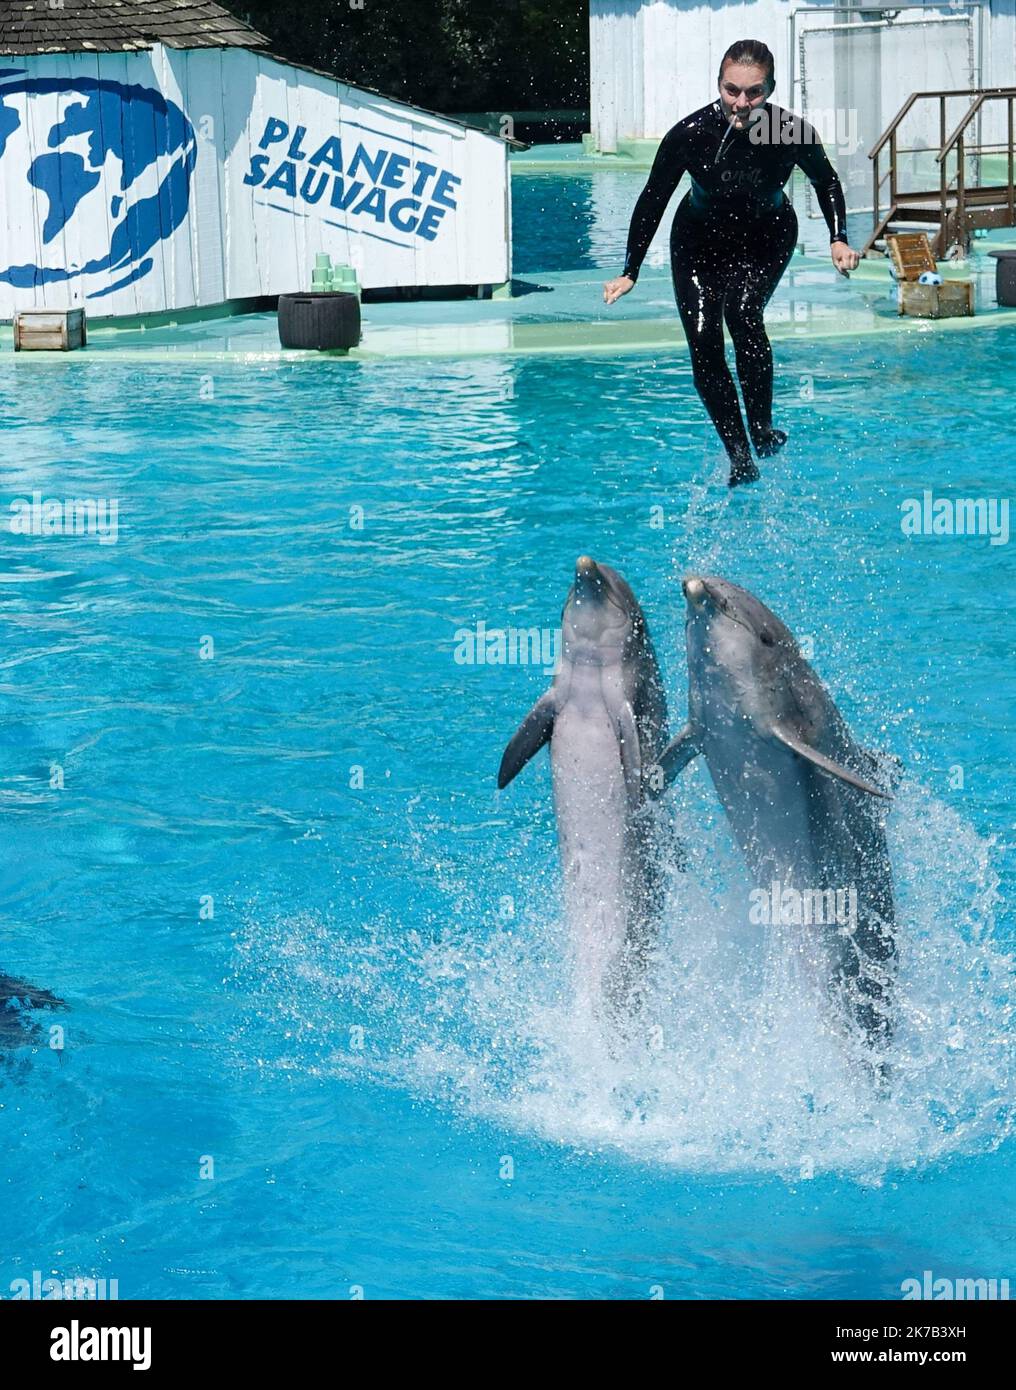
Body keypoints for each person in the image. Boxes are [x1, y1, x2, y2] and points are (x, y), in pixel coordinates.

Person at [603, 40, 860, 486]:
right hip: (698, 241)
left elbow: (827, 180)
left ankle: (761, 428)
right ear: (719, 85)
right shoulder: (690, 134)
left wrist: (838, 239)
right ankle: (740, 457)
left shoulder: (790, 131)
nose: (742, 103)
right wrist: (631, 269)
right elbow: (653, 199)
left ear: (772, 88)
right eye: (732, 90)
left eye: (754, 92)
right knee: (704, 343)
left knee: (742, 314)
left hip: (768, 235)